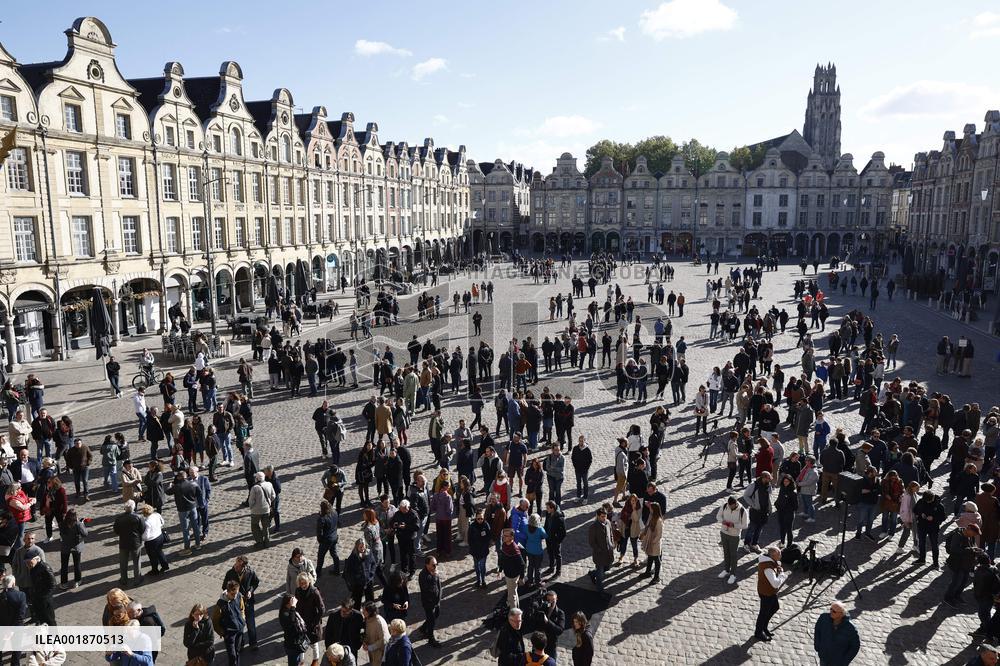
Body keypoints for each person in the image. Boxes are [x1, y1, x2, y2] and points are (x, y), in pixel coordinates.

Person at [223, 555, 261, 650]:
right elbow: (224, 586)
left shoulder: (250, 572)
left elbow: (255, 582)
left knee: (251, 624)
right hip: (235, 604)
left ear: (243, 566)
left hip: (248, 602)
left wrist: (250, 591)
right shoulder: (230, 573)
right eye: (236, 563)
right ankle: (241, 643)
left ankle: (253, 643)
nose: (235, 566)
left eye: (238, 565)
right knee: (239, 625)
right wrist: (233, 593)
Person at [754, 545, 790, 642]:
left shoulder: (770, 562)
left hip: (769, 591)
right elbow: (775, 583)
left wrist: (777, 566)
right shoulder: (768, 568)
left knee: (775, 607)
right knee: (763, 613)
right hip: (766, 592)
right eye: (779, 554)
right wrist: (782, 575)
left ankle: (764, 627)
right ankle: (758, 632)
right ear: (773, 556)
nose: (781, 556)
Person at [813, 601, 861, 666]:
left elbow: (855, 647)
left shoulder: (851, 629)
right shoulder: (823, 618)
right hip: (824, 656)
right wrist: (818, 646)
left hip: (837, 662)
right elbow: (817, 630)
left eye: (834, 611)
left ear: (841, 614)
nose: (831, 612)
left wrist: (844, 662)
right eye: (831, 609)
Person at [294, 572, 326, 666]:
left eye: (305, 583)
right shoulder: (298, 590)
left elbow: (322, 609)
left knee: (314, 643)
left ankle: (315, 660)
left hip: (312, 622)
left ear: (309, 582)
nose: (303, 585)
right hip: (301, 622)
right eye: (301, 583)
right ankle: (301, 661)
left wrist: (315, 622)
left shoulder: (314, 592)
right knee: (301, 642)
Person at [212, 580, 247, 665]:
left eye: (236, 593)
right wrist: (222, 632)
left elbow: (242, 609)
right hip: (229, 634)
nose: (235, 596)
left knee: (237, 652)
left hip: (239, 630)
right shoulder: (221, 604)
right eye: (232, 594)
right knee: (232, 655)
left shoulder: (239, 596)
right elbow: (215, 621)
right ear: (227, 592)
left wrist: (242, 619)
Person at [113, 500, 145, 588]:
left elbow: (116, 530)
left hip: (123, 542)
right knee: (136, 561)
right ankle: (137, 579)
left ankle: (123, 579)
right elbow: (142, 529)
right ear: (133, 507)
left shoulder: (119, 518)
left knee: (123, 562)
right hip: (135, 543)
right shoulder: (139, 517)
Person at [0, 576, 27, 664]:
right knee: (16, 648)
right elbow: (21, 615)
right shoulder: (21, 595)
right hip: (16, 627)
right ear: (14, 584)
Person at [343, 539, 377, 610]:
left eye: (363, 547)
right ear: (357, 547)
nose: (362, 549)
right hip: (358, 583)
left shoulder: (368, 553)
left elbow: (373, 563)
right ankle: (357, 614)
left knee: (370, 599)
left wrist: (371, 574)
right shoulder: (353, 557)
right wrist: (355, 580)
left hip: (368, 581)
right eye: (360, 547)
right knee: (357, 601)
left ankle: (370, 612)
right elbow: (348, 571)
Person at [587, 508, 614, 594]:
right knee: (600, 574)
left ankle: (592, 573)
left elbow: (611, 534)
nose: (604, 518)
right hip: (599, 554)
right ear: (598, 516)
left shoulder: (608, 522)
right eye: (602, 517)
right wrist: (598, 549)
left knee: (606, 568)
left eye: (605, 516)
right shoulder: (593, 527)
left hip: (608, 552)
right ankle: (600, 591)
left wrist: (612, 544)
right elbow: (592, 542)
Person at [498, 527, 525, 609]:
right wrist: (500, 570)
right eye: (503, 535)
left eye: (506, 536)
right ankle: (513, 605)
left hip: (513, 575)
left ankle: (513, 611)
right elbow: (502, 558)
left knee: (511, 594)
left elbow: (522, 564)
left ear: (512, 537)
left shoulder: (514, 549)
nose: (503, 537)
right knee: (512, 591)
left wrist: (522, 577)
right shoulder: (504, 545)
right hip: (507, 573)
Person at [280, 592, 311, 666]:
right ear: (287, 603)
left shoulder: (291, 610)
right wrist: (293, 606)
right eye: (292, 602)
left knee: (299, 662)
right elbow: (292, 622)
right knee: (294, 663)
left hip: (298, 642)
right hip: (292, 645)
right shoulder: (284, 614)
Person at [418, 556, 442, 647]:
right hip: (428, 602)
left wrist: (439, 598)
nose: (435, 567)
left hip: (436, 601)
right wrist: (433, 576)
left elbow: (439, 585)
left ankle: (423, 628)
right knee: (431, 620)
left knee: (436, 615)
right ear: (427, 565)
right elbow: (427, 589)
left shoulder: (434, 572)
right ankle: (431, 638)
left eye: (436, 564)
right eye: (433, 565)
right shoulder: (423, 575)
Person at [248, 471, 276, 547]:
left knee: (255, 525)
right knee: (265, 526)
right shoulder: (269, 484)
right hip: (266, 509)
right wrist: (269, 501)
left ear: (257, 479)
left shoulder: (255, 488)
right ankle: (267, 542)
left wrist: (251, 507)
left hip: (256, 511)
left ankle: (259, 542)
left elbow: (251, 500)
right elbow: (273, 496)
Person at [537, 589, 565, 659]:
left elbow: (560, 630)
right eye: (549, 600)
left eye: (553, 600)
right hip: (539, 642)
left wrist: (548, 622)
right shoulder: (543, 608)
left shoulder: (560, 613)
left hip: (551, 644)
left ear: (557, 599)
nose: (551, 602)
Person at [362, 601, 389, 666]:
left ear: (370, 612)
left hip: (379, 653)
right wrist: (365, 641)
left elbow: (384, 640)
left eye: (364, 611)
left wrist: (370, 647)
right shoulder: (368, 619)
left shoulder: (379, 623)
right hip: (372, 651)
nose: (362, 612)